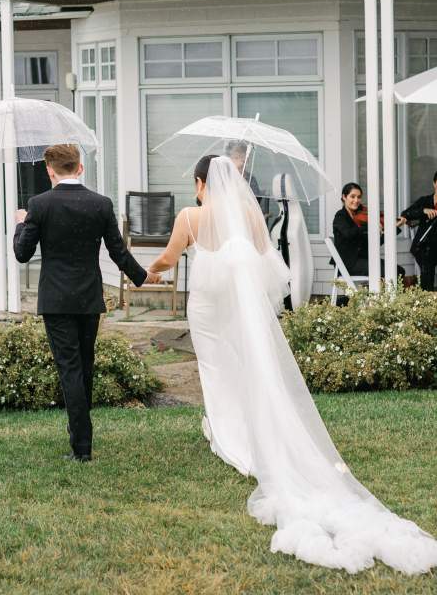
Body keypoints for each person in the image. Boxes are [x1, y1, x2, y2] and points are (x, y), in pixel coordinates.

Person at [147, 156, 437, 574]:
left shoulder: (191, 215)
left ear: (200, 183)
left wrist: (149, 273)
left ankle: (231, 437)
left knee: (216, 372)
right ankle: (245, 430)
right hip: (241, 312)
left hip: (208, 312)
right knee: (244, 370)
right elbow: (270, 264)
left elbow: (170, 258)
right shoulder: (249, 214)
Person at [13, 144, 156, 462]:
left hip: (56, 301)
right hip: (89, 299)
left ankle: (81, 445)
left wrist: (21, 223)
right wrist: (144, 278)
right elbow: (118, 252)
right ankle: (81, 436)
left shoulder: (39, 204)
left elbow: (22, 254)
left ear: (50, 170)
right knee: (84, 368)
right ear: (80, 168)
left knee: (70, 370)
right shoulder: (101, 204)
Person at [332, 182, 405, 280]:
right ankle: (380, 294)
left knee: (399, 271)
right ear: (344, 197)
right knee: (392, 272)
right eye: (352, 197)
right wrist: (369, 225)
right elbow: (348, 234)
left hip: (361, 259)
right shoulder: (340, 216)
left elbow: (373, 244)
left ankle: (379, 294)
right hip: (347, 263)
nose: (356, 200)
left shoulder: (359, 217)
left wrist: (393, 228)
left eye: (359, 197)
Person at [399, 171, 437, 290]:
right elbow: (405, 214)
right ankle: (427, 297)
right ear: (434, 183)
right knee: (427, 262)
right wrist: (423, 211)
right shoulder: (425, 201)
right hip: (423, 245)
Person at [226, 140, 270, 219]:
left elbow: (256, 201)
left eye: (243, 157)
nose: (240, 161)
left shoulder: (250, 179)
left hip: (246, 216)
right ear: (229, 159)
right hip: (229, 215)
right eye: (236, 157)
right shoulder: (226, 177)